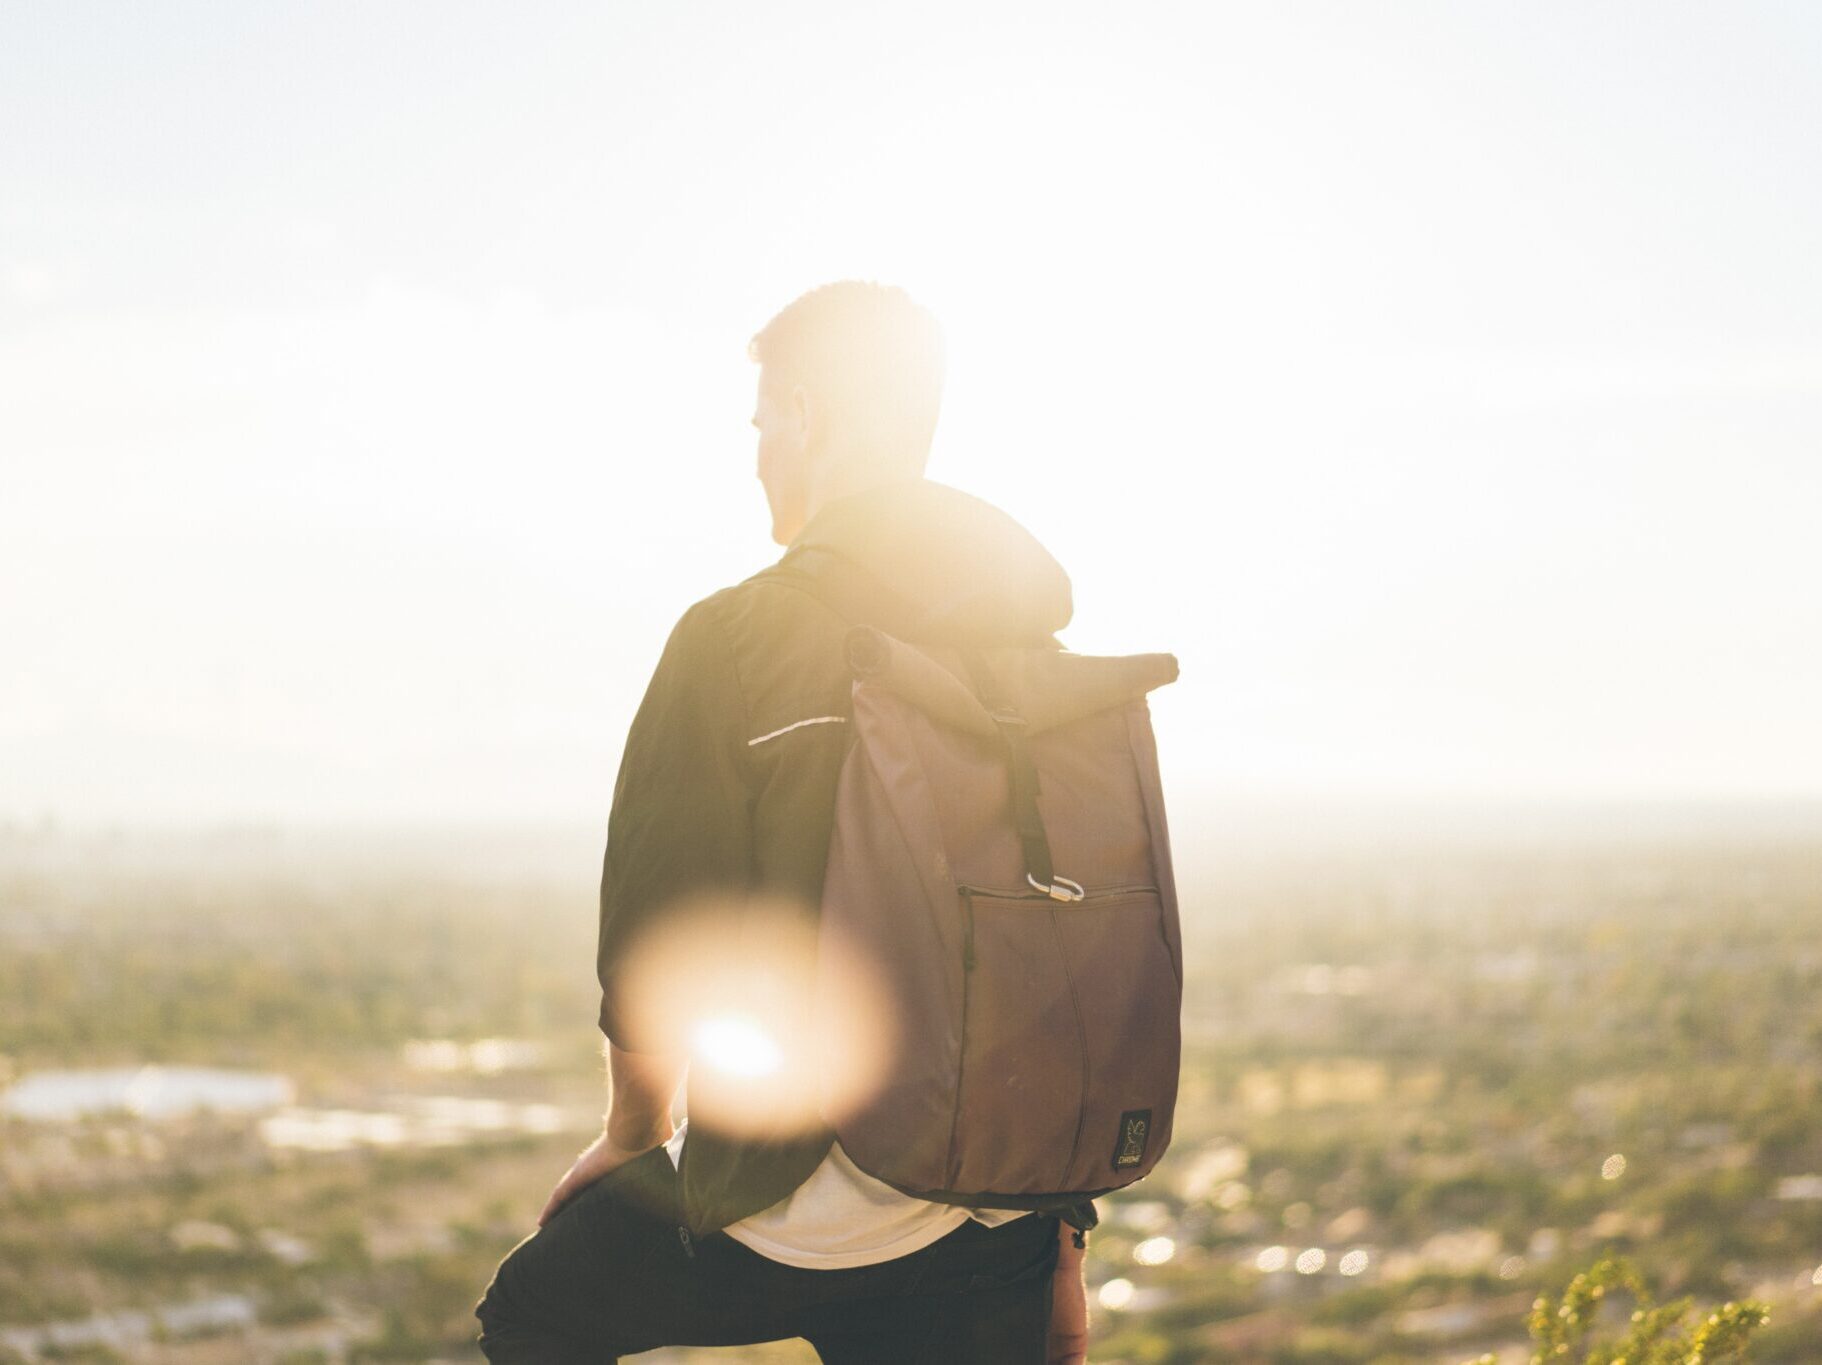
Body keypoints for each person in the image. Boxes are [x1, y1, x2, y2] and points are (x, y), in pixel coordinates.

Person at [475, 281, 1091, 1364]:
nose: (758, 452)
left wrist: (631, 1138)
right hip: (992, 1217)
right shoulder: (1034, 658)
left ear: (804, 413)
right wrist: (1064, 1247)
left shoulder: (735, 641)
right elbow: (1063, 951)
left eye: (762, 422)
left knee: (534, 1310)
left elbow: (656, 936)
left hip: (794, 1204)